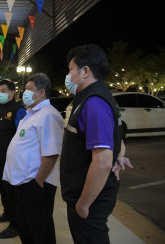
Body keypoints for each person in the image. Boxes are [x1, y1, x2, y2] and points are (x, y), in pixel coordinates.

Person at [60, 44, 132, 244]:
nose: (68, 75)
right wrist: (119, 154)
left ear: (85, 71)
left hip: (89, 197)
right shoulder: (91, 97)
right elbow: (117, 137)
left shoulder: (94, 102)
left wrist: (83, 205)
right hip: (85, 193)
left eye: (70, 70)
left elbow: (101, 162)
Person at [3, 73, 64, 244]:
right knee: (26, 226)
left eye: (29, 89)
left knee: (40, 230)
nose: (25, 93)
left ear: (42, 92)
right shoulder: (32, 113)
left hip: (35, 183)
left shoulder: (48, 115)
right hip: (23, 181)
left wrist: (38, 181)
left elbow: (51, 153)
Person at [0, 79, 26, 239]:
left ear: (12, 93)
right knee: (2, 189)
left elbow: (22, 136)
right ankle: (7, 213)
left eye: (3, 91)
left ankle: (16, 224)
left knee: (12, 193)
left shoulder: (18, 110)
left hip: (12, 160)